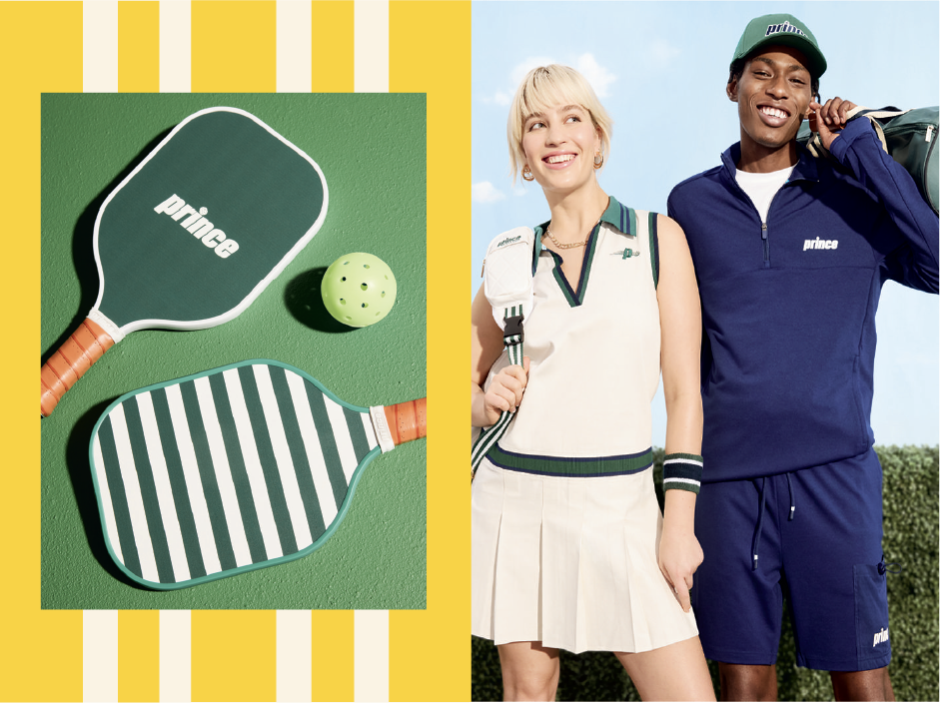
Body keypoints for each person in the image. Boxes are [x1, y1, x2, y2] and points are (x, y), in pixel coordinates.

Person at [667, 13, 940, 702]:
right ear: (734, 85)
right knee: (744, 685)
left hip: (835, 478)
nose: (777, 88)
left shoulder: (854, 196)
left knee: (862, 682)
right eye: (763, 72)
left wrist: (861, 153)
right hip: (728, 484)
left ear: (811, 100)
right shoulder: (690, 204)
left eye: (797, 79)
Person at [471, 64, 716, 702]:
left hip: (625, 506)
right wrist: (480, 398)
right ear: (524, 155)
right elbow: (462, 381)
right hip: (514, 499)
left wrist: (678, 522)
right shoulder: (507, 256)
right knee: (531, 692)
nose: (556, 134)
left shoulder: (659, 239)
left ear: (599, 138)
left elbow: (686, 393)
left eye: (572, 118)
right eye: (537, 124)